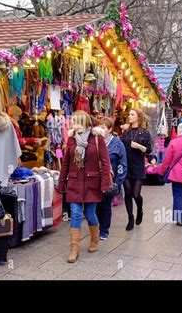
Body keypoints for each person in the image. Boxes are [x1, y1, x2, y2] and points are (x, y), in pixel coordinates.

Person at [57, 110, 111, 263]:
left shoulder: (97, 138)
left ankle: (94, 241)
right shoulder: (71, 139)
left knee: (90, 213)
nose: (75, 125)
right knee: (75, 214)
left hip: (92, 183)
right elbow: (66, 162)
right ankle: (74, 249)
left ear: (87, 123)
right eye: (73, 122)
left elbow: (106, 162)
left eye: (78, 122)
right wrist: (61, 183)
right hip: (74, 182)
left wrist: (104, 183)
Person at [121, 108, 152, 231]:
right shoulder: (126, 132)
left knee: (136, 194)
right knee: (128, 194)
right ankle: (130, 218)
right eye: (129, 114)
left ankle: (140, 209)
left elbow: (149, 150)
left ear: (138, 117)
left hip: (138, 167)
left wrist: (139, 146)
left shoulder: (145, 133)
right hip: (126, 167)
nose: (129, 116)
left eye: (132, 114)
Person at [97, 117, 127, 240]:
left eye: (103, 128)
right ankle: (97, 226)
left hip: (109, 180)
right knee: (96, 206)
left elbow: (123, 163)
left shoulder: (117, 144)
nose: (100, 130)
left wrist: (118, 182)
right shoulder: (95, 141)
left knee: (105, 205)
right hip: (95, 179)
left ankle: (104, 230)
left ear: (110, 129)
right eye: (99, 127)